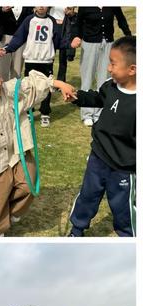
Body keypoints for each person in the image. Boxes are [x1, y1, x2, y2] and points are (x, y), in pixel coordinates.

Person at [0, 56, 74, 236]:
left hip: (18, 154)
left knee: (28, 184)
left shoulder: (10, 92)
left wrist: (59, 84)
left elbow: (32, 84)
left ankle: (12, 214)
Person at [64, 36, 136, 237]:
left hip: (124, 168)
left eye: (113, 64)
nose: (108, 69)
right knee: (87, 196)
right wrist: (77, 96)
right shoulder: (110, 86)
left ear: (132, 69)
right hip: (98, 157)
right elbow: (96, 97)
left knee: (122, 207)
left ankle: (128, 237)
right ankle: (77, 230)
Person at [70, 7, 132, 126]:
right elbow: (78, 24)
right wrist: (76, 36)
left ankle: (99, 113)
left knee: (105, 79)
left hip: (108, 44)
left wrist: (128, 36)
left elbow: (121, 19)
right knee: (87, 77)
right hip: (89, 44)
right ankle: (87, 114)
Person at [4, 7, 61, 127]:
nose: (41, 6)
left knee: (46, 86)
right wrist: (8, 49)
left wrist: (51, 51)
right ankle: (29, 111)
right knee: (29, 87)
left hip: (46, 61)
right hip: (31, 59)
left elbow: (56, 39)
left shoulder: (52, 21)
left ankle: (45, 113)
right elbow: (19, 37)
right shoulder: (29, 20)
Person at [0, 7, 34, 81]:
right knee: (1, 70)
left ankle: (15, 92)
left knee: (17, 72)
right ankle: (1, 91)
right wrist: (2, 10)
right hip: (4, 38)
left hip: (21, 39)